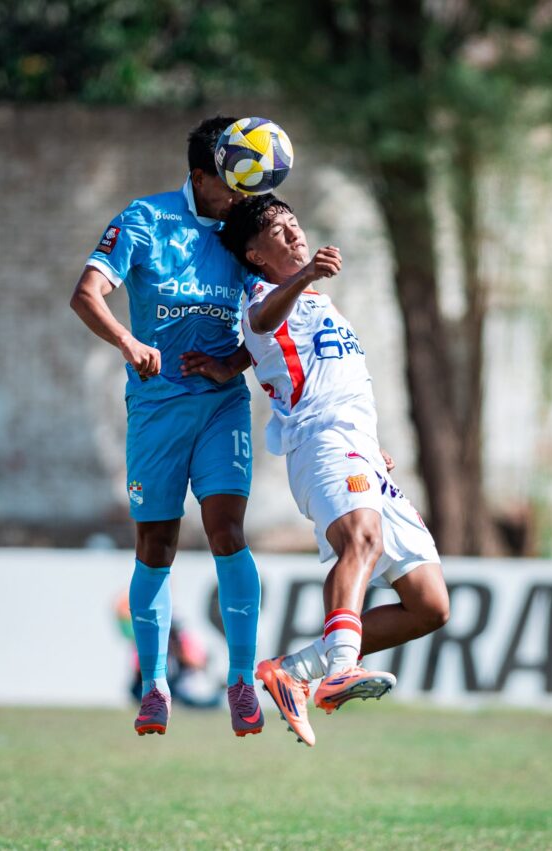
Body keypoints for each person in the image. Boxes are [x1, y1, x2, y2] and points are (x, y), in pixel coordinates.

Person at [182, 194, 450, 747]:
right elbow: (260, 320)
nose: (294, 235)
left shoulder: (312, 303)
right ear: (255, 256)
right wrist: (303, 275)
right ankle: (341, 670)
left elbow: (265, 347)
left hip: (365, 451)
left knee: (429, 604)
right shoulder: (262, 296)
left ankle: (293, 671)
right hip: (323, 443)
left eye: (294, 226)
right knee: (362, 538)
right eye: (278, 234)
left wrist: (229, 364)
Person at [70, 117, 264, 738]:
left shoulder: (245, 232)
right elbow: (87, 294)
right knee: (157, 545)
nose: (240, 194)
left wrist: (232, 362)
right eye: (228, 182)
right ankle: (154, 683)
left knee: (227, 528)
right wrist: (128, 342)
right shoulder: (146, 219)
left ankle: (240, 679)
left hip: (220, 404)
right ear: (200, 176)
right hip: (155, 407)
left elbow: (271, 317)